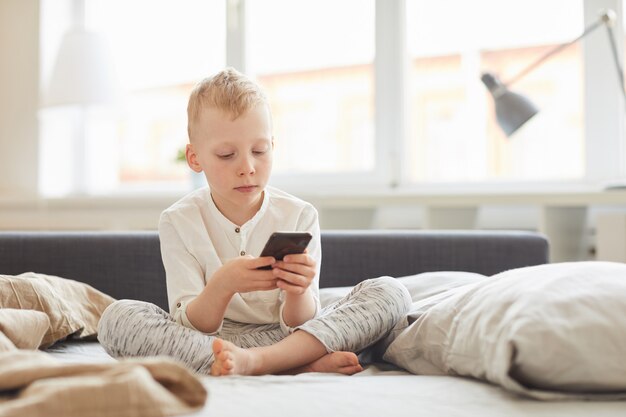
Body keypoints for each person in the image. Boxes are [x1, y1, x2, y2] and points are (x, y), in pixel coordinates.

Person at [98, 67, 411, 376]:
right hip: (213, 342)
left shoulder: (300, 215)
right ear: (195, 158)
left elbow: (300, 322)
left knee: (391, 292)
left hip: (292, 336)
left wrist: (298, 291)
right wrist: (223, 285)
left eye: (259, 151)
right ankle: (293, 363)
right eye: (226, 155)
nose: (247, 167)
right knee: (116, 318)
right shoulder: (178, 221)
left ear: (272, 147)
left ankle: (261, 362)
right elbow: (189, 325)